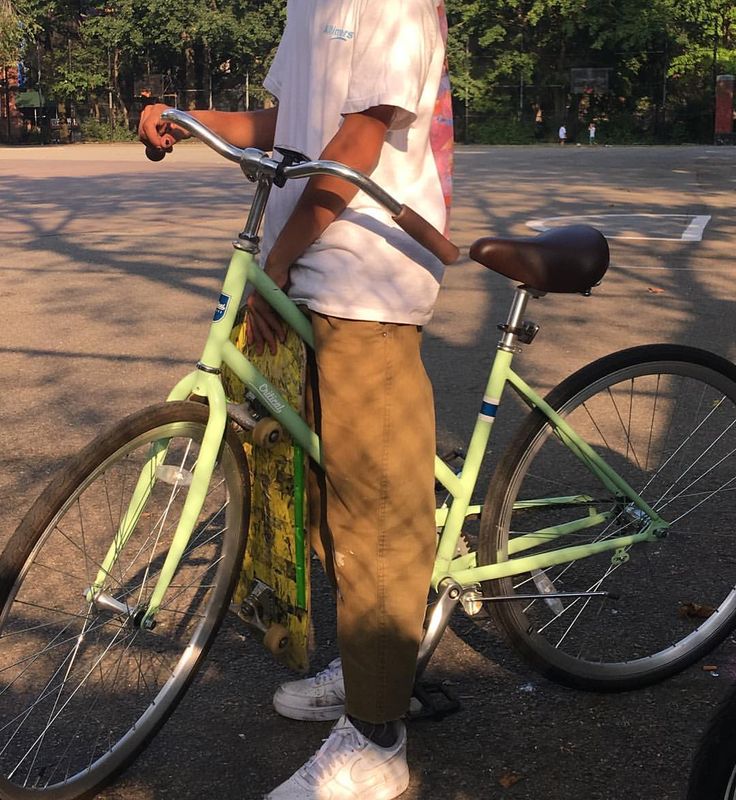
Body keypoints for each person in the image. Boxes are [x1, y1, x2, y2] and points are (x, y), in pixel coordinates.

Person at [139, 2, 449, 798]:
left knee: (376, 512)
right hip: (312, 263)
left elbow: (358, 138)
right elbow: (293, 120)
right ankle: (371, 666)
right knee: (319, 491)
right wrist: (192, 117)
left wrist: (275, 261)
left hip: (367, 279)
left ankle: (380, 742)